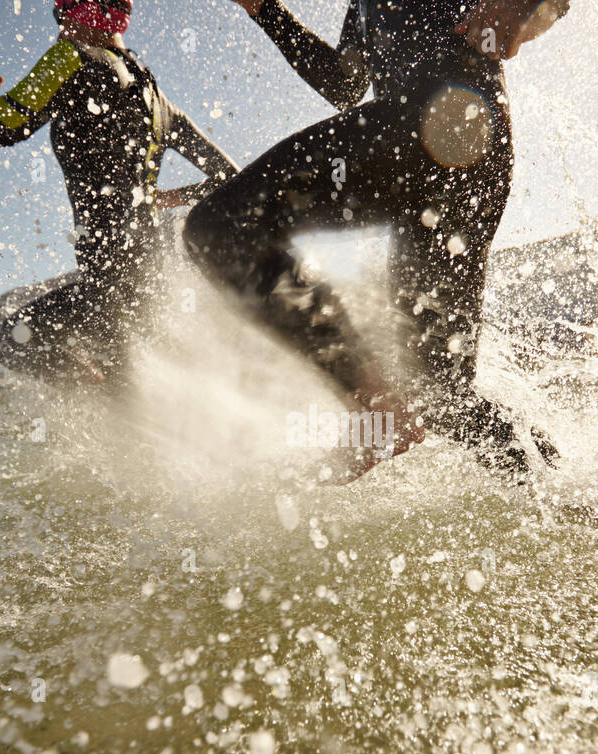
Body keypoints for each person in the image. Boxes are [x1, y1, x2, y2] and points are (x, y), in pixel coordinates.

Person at [183, 0, 567, 480]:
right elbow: (344, 83)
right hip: (437, 156)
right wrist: (265, 11)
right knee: (443, 399)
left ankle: (376, 412)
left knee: (220, 227)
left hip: (449, 124)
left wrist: (516, 10)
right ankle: (565, 494)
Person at [0, 0, 239, 382]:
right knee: (130, 386)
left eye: (62, 14)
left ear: (82, 13)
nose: (59, 27)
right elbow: (230, 178)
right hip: (154, 279)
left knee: (12, 342)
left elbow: (0, 129)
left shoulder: (70, 58)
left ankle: (98, 393)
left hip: (107, 281)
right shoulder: (157, 100)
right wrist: (162, 198)